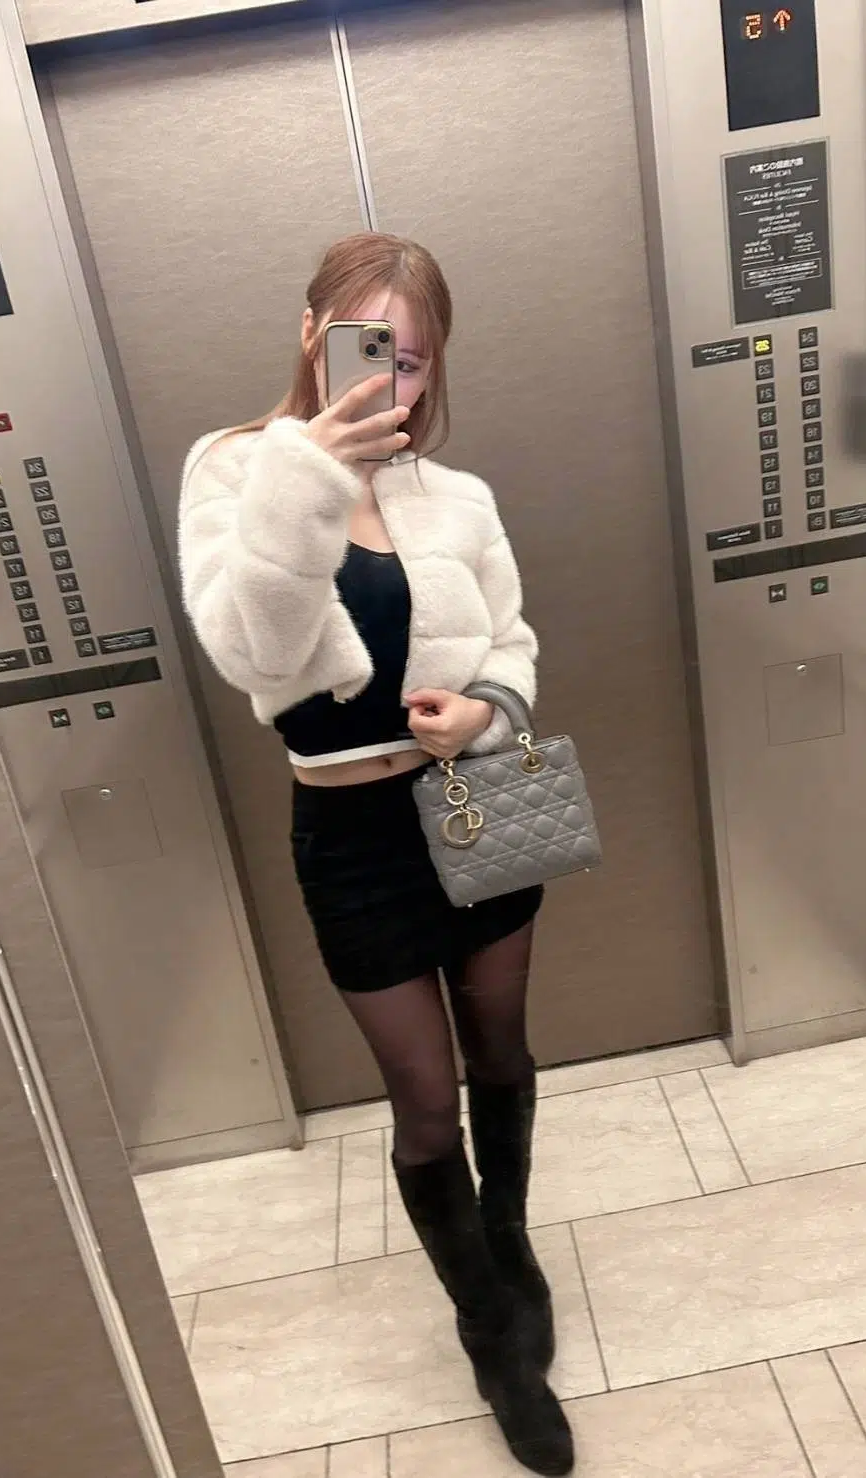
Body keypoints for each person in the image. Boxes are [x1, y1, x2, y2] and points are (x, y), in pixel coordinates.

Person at [178, 233, 573, 1477]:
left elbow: (511, 639)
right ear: (312, 333)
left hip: (473, 796)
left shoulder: (457, 495)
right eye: (366, 344)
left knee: (501, 1047)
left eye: (411, 358)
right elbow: (250, 650)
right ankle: (489, 1330)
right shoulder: (236, 470)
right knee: (421, 1095)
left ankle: (509, 1244)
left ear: (434, 364)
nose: (387, 377)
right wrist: (308, 473)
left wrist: (485, 711)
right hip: (348, 835)